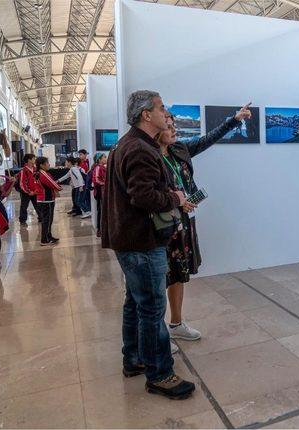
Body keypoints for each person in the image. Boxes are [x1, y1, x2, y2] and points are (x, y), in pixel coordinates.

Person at [101, 90, 195, 400]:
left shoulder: (127, 144)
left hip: (128, 238)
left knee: (135, 303)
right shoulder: (140, 149)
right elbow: (143, 196)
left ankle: (134, 358)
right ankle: (160, 374)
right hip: (141, 240)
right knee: (153, 307)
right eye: (161, 108)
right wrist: (176, 198)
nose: (165, 112)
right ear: (146, 115)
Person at [156, 104, 252, 346]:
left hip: (184, 222)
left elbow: (209, 139)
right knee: (159, 278)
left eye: (174, 124)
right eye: (169, 125)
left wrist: (234, 120)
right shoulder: (148, 156)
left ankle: (176, 324)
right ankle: (158, 335)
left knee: (179, 272)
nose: (174, 129)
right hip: (162, 225)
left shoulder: (179, 149)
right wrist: (177, 204)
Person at [35, 156, 62, 246]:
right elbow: (52, 183)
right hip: (46, 200)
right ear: (42, 165)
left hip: (42, 199)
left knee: (48, 219)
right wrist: (59, 188)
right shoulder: (43, 174)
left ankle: (48, 236)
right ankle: (44, 239)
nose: (49, 164)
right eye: (47, 163)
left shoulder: (37, 173)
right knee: (47, 220)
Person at [17, 153, 41, 227]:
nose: (35, 160)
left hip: (35, 192)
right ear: (29, 160)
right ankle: (23, 220)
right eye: (33, 158)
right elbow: (22, 183)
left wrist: (36, 190)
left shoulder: (36, 169)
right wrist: (28, 191)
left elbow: (37, 181)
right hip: (26, 192)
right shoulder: (23, 171)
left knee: (37, 205)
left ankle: (41, 217)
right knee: (24, 206)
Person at [91, 153, 107, 237]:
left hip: (104, 192)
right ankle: (99, 230)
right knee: (100, 211)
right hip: (100, 193)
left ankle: (104, 229)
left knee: (103, 211)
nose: (106, 158)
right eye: (104, 157)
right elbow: (96, 180)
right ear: (99, 159)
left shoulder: (103, 168)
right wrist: (106, 183)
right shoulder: (98, 168)